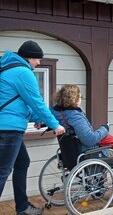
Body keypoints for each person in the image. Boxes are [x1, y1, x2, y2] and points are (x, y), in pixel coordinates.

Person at [0, 40, 66, 215]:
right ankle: (22, 208)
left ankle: (22, 207)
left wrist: (37, 119)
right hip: (8, 129)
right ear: (29, 57)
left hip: (7, 126)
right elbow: (37, 102)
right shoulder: (23, 72)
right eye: (37, 59)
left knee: (22, 162)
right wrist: (55, 125)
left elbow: (18, 103)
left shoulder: (8, 68)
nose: (39, 63)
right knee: (2, 171)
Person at [50, 84, 113, 193]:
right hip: (85, 153)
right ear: (74, 99)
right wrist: (104, 128)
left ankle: (103, 183)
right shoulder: (74, 116)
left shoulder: (56, 112)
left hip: (70, 153)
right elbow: (89, 139)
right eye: (80, 97)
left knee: (106, 148)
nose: (81, 99)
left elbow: (44, 116)